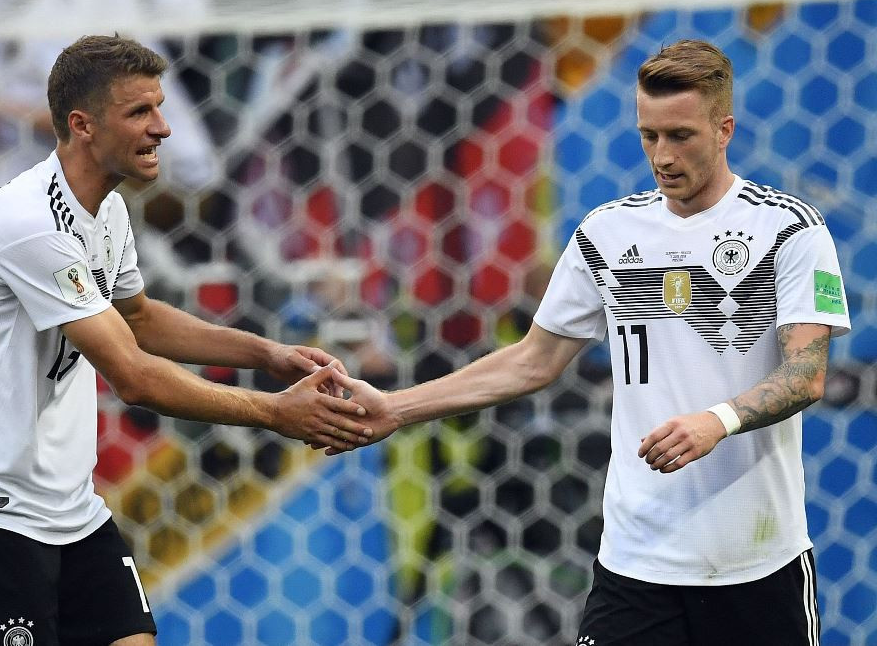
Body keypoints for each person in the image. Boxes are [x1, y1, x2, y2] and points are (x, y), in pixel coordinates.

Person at [334, 39, 850, 646]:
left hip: (757, 563)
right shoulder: (607, 234)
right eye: (648, 135)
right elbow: (532, 360)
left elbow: (805, 375)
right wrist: (397, 406)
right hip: (636, 563)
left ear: (724, 128)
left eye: (680, 135)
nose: (662, 155)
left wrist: (719, 420)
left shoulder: (789, 229)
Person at [0, 34, 372, 646]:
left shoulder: (106, 210)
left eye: (160, 107)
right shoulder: (29, 225)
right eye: (140, 112)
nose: (164, 128)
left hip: (69, 507)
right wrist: (275, 413)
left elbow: (140, 318)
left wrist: (268, 354)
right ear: (82, 125)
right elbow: (133, 375)